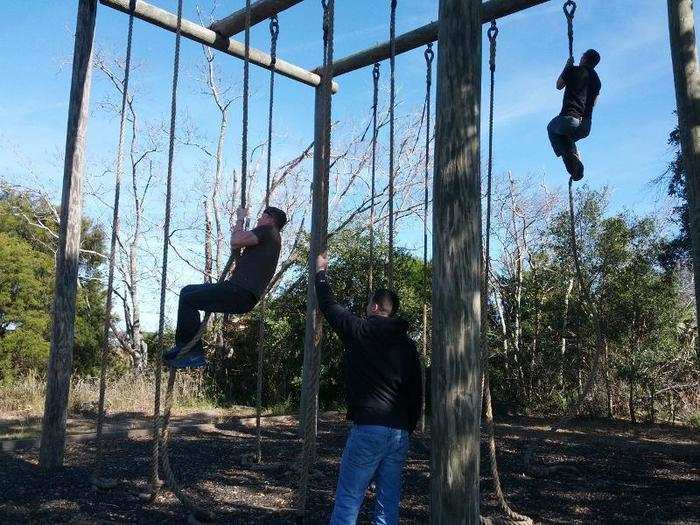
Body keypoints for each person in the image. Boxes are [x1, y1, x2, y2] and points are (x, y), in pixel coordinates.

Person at [314, 253, 422, 525]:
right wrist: (407, 427)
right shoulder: (408, 345)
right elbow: (416, 391)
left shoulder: (359, 330)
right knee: (388, 503)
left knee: (349, 499)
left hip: (369, 428)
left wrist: (320, 272)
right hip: (398, 432)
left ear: (374, 307)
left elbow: (328, 305)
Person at [164, 205, 287, 368]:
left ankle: (192, 352)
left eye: (262, 216)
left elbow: (236, 241)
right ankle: (185, 348)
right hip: (242, 294)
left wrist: (240, 218)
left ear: (270, 219)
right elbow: (239, 248)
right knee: (188, 292)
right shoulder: (272, 240)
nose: (258, 219)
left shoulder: (269, 231)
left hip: (240, 291)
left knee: (188, 297)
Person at [547, 48, 602, 181]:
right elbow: (594, 103)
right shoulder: (597, 81)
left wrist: (567, 66)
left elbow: (558, 85)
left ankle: (571, 158)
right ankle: (575, 168)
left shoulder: (573, 70)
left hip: (570, 118)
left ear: (584, 58)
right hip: (585, 127)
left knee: (552, 129)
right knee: (566, 139)